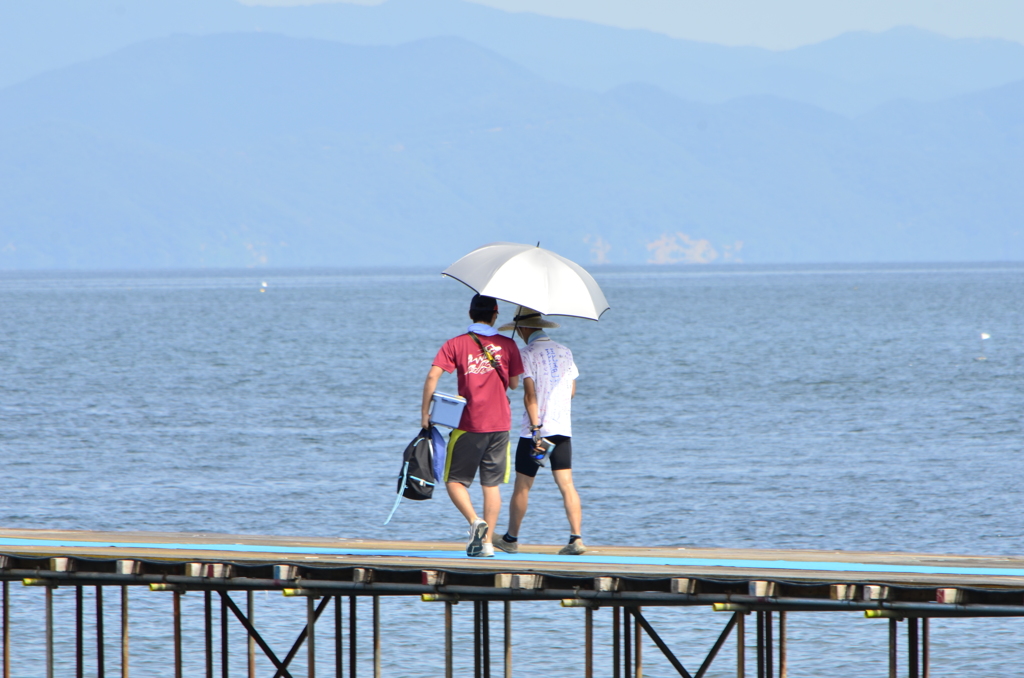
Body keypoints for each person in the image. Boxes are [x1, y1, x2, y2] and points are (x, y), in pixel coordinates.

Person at [421, 294, 523, 557]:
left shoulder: (455, 344)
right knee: (491, 485)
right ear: (495, 315)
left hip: (469, 424)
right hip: (501, 424)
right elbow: (513, 384)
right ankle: (487, 543)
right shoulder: (508, 345)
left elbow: (433, 375)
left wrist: (425, 414)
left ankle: (475, 521)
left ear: (470, 314)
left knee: (455, 480)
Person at [494, 307, 585, 556]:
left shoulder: (526, 354)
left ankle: (511, 539)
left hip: (537, 433)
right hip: (563, 429)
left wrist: (535, 428)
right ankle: (576, 538)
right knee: (567, 484)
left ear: (523, 329)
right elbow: (572, 391)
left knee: (523, 486)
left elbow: (529, 394)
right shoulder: (565, 351)